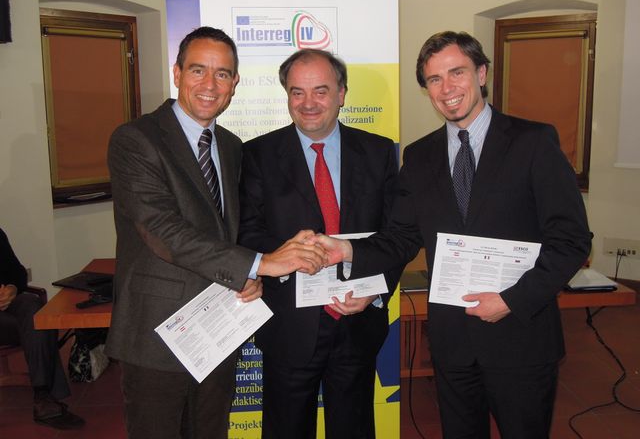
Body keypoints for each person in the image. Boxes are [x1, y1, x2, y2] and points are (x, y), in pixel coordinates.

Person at [316, 31, 592, 439]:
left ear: (481, 73)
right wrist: (348, 251)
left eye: (456, 73)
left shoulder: (533, 142)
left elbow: (571, 240)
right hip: (452, 341)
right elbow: (401, 237)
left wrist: (512, 300)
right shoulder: (419, 156)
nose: (447, 88)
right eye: (434, 79)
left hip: (521, 336)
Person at [104, 27, 326, 439]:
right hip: (157, 332)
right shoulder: (136, 140)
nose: (210, 84)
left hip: (218, 329)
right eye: (198, 70)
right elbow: (163, 230)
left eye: (222, 73)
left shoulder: (231, 145)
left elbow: (229, 229)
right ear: (177, 73)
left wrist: (250, 274)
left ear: (235, 83)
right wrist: (259, 263)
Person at [238, 49, 401, 439]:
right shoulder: (256, 154)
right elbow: (245, 232)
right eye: (297, 92)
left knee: (354, 429)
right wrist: (284, 256)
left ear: (342, 94)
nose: (308, 103)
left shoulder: (379, 152)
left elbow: (396, 234)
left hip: (358, 319)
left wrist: (376, 291)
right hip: (289, 325)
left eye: (320, 91)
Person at [0, 227, 85, 430]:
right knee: (35, 326)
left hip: (5, 308)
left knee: (34, 308)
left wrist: (12, 288)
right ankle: (46, 397)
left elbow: (17, 272)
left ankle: (42, 395)